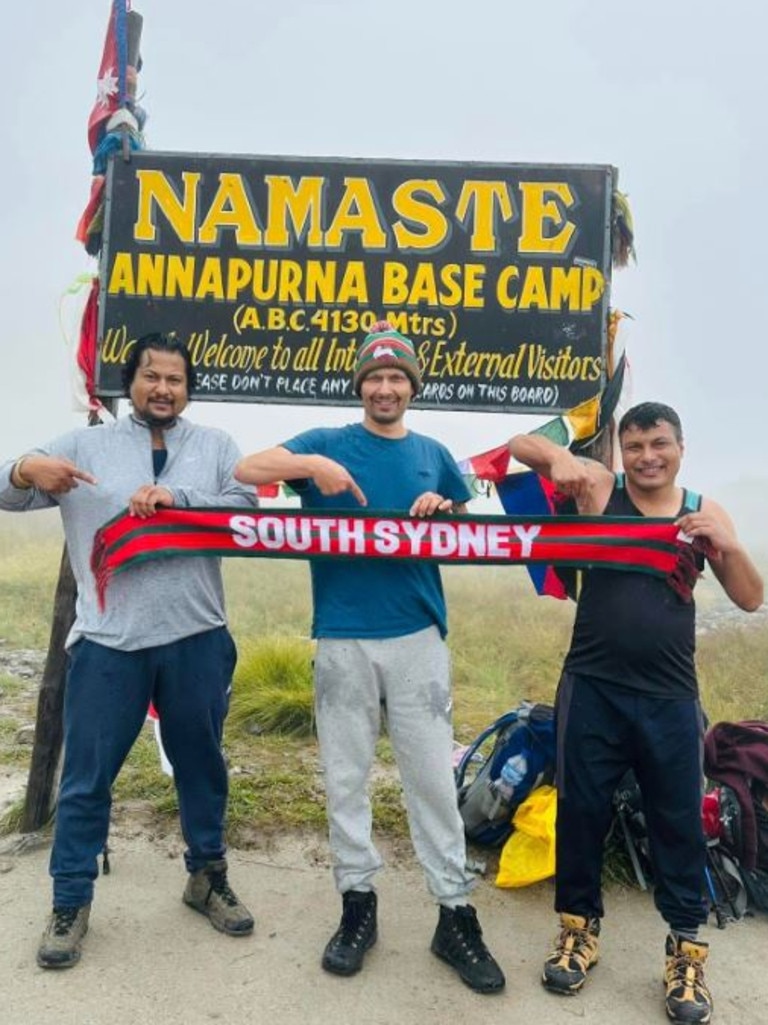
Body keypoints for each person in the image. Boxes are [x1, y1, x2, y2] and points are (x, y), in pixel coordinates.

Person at [235, 321, 505, 994]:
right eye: (375, 377)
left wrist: (443, 505)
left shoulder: (433, 452)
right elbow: (247, 469)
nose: (385, 387)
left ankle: (454, 911)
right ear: (360, 384)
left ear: (412, 386)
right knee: (346, 775)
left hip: (417, 633)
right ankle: (358, 904)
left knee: (432, 781)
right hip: (342, 632)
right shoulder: (328, 442)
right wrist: (311, 467)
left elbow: (468, 526)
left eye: (397, 377)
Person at [0, 333, 259, 969]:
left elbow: (247, 511)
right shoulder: (85, 443)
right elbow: (8, 491)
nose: (163, 389)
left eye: (175, 379)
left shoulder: (217, 447)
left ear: (187, 389)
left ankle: (207, 877)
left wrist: (183, 501)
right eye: (151, 377)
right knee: (87, 780)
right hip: (110, 645)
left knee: (202, 766)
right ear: (130, 382)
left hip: (197, 638)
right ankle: (70, 901)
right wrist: (22, 469)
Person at [508, 401, 763, 1025]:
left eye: (660, 444)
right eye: (636, 446)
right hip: (592, 686)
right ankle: (577, 930)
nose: (648, 457)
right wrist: (562, 457)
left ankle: (685, 951)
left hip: (671, 696)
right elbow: (520, 445)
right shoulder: (600, 489)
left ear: (681, 447)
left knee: (677, 820)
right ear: (621, 452)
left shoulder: (703, 511)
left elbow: (751, 599)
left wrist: (727, 545)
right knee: (582, 810)